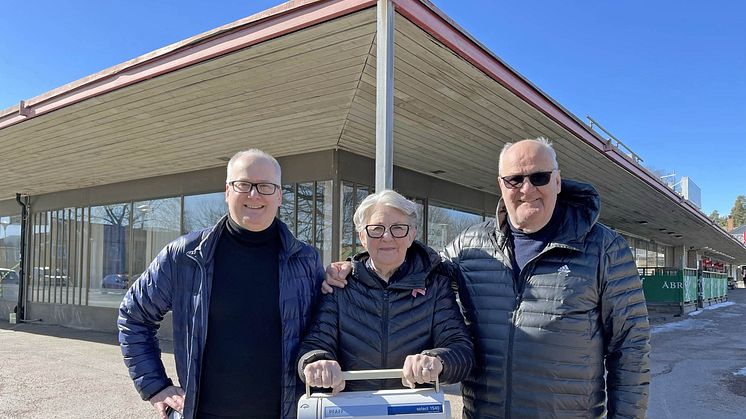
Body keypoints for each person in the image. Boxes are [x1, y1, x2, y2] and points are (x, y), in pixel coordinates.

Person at [325, 138, 651, 418]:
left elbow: (630, 347)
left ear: (557, 181)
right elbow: (414, 266)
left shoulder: (603, 247)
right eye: (515, 180)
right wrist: (355, 267)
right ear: (501, 185)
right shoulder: (470, 245)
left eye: (539, 177)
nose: (527, 189)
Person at [118, 149, 324, 419]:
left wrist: (348, 270)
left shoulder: (306, 260)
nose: (254, 195)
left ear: (279, 195)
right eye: (244, 185)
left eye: (265, 186)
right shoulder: (185, 255)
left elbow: (326, 327)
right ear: (227, 191)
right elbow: (134, 316)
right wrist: (156, 385)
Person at [298, 190, 473, 394]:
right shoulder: (339, 286)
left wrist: (436, 361)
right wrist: (318, 362)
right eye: (376, 229)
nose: (387, 237)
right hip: (353, 410)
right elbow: (314, 344)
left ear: (411, 236)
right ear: (362, 237)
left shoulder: (435, 286)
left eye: (398, 228)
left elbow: (462, 350)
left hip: (412, 408)